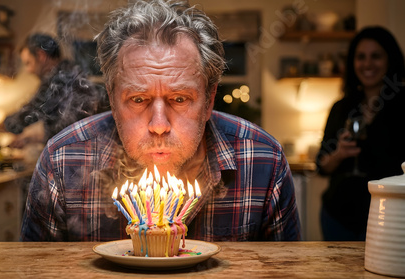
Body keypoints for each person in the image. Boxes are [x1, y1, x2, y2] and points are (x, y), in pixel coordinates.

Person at [21, 0, 300, 242]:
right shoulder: (63, 160)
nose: (158, 125)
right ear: (112, 98)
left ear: (209, 99)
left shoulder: (264, 160)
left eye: (179, 99)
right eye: (138, 99)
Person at [316, 26, 405, 241]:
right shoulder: (341, 107)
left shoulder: (402, 106)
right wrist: (338, 154)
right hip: (337, 218)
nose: (367, 64)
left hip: (388, 217)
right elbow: (321, 165)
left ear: (390, 60)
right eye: (360, 57)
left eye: (376, 56)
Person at [0, 33, 106, 148]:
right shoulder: (67, 72)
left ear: (41, 55)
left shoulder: (60, 78)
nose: (28, 70)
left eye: (28, 63)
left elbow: (28, 113)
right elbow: (58, 124)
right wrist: (28, 138)